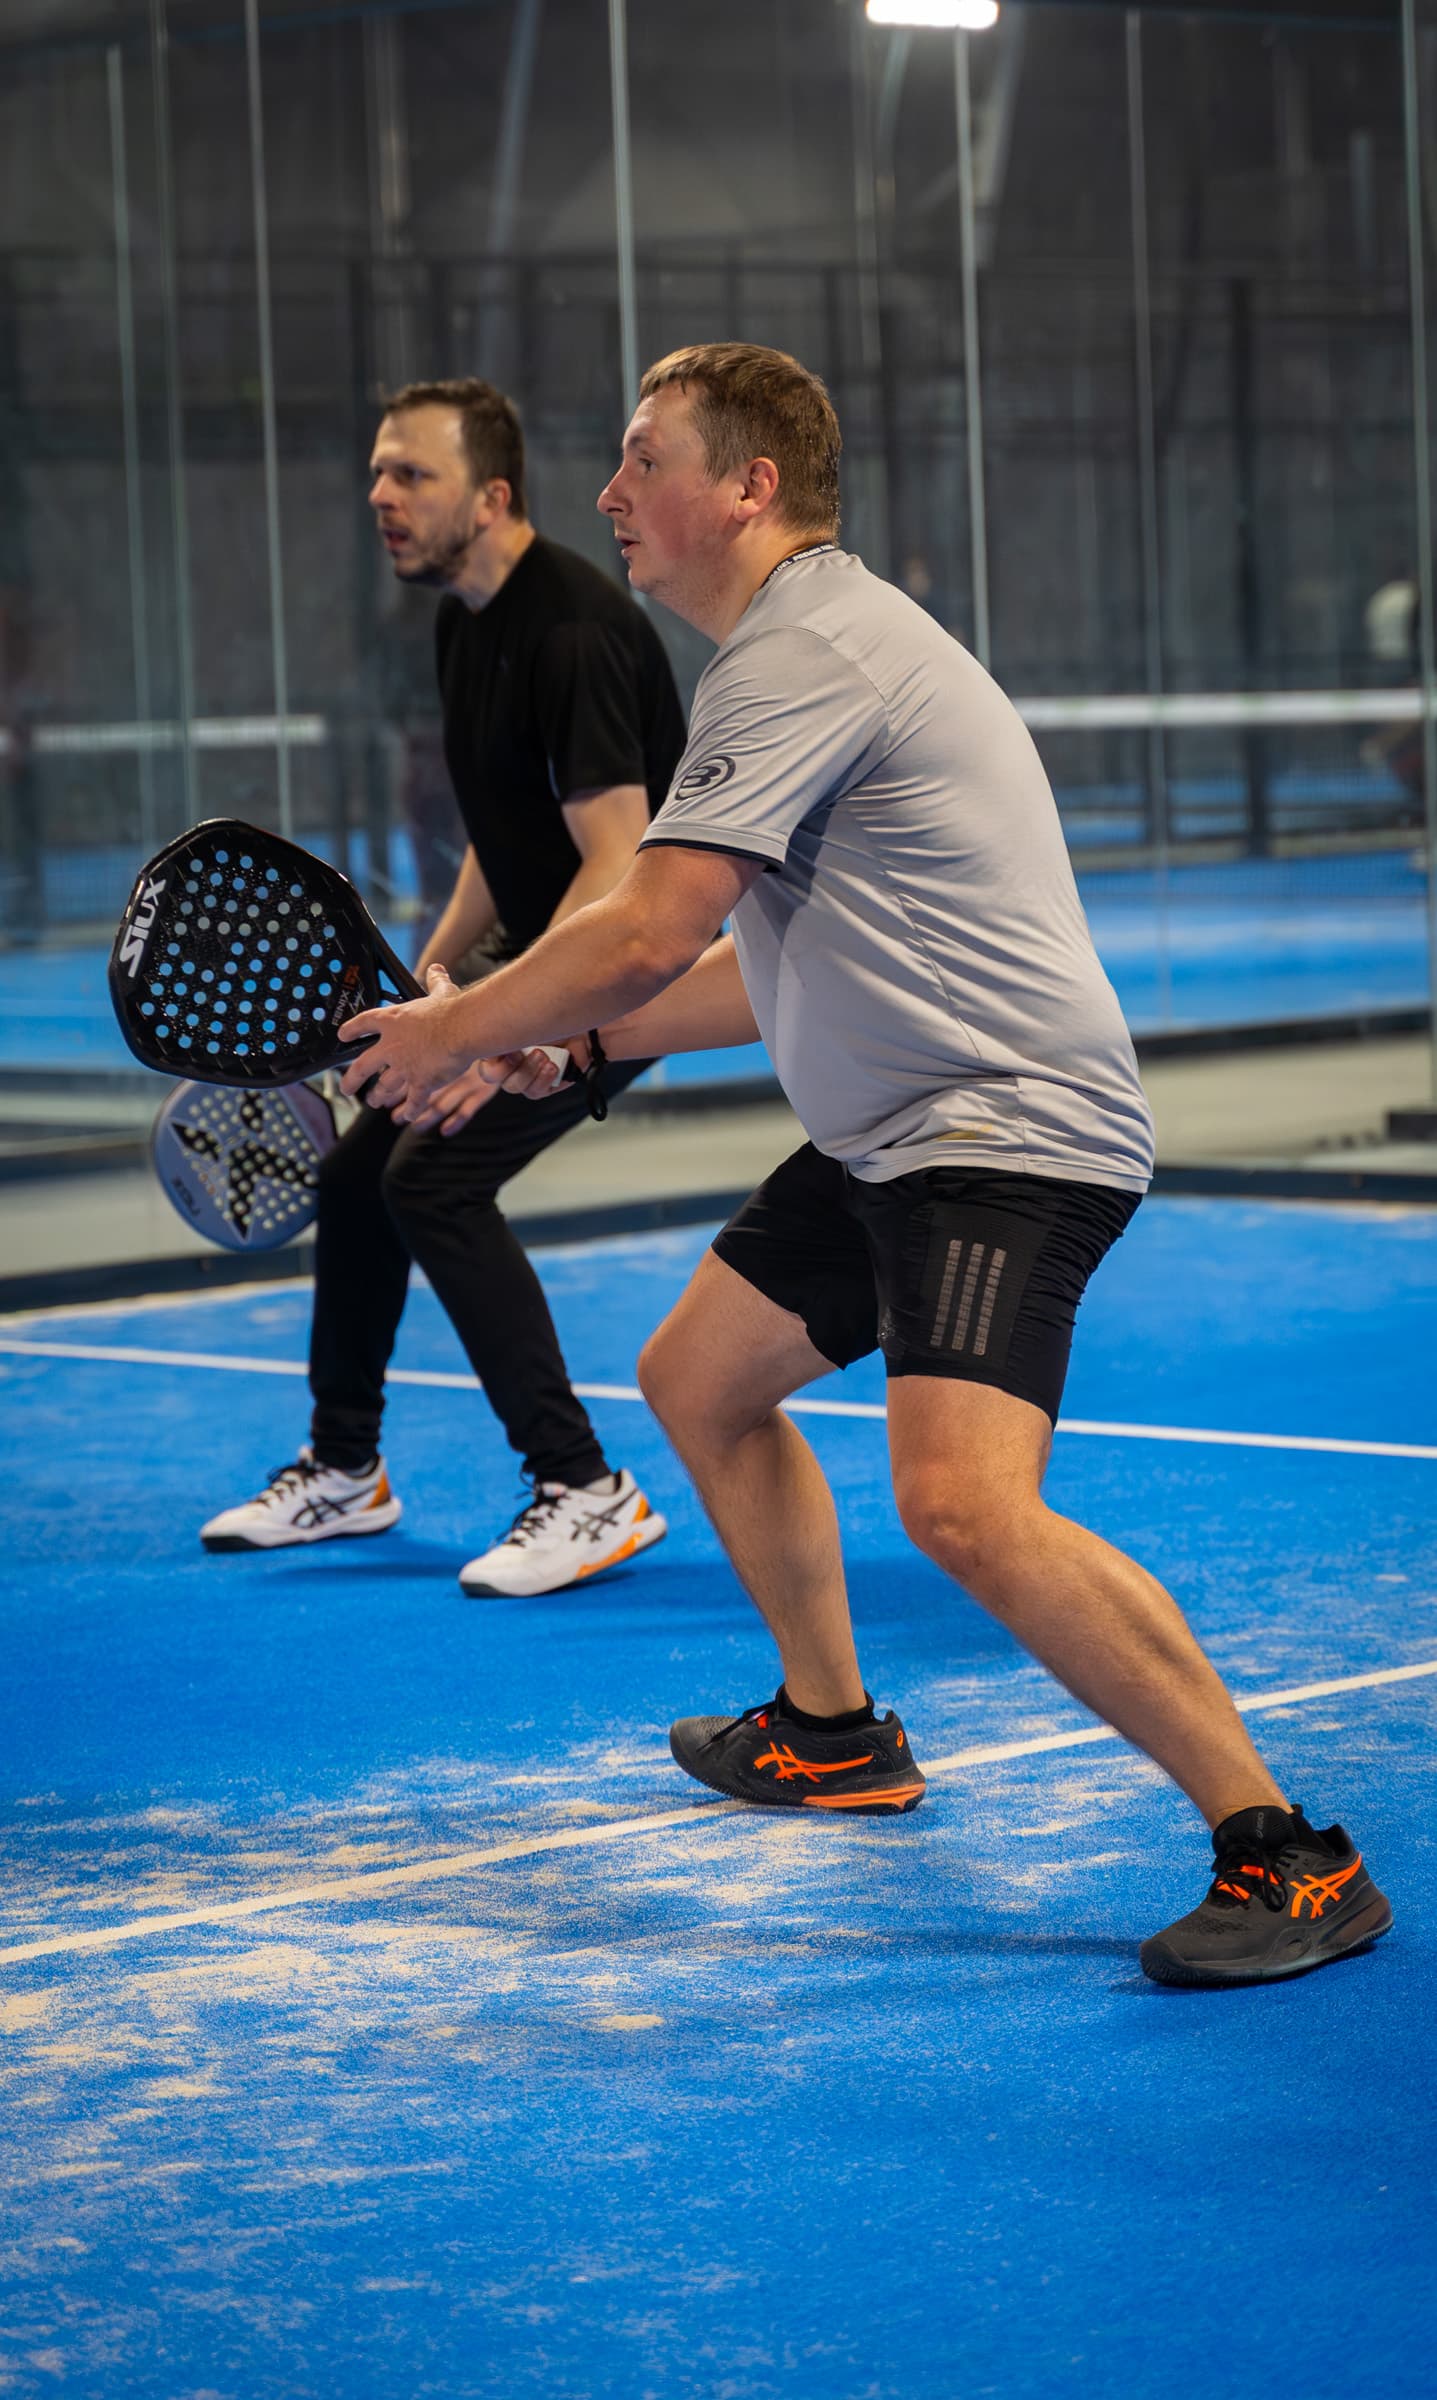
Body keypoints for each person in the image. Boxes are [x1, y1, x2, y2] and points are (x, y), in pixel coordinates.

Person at [340, 343, 1391, 1987]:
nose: (609, 495)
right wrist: (572, 1045)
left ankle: (1288, 1855)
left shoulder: (803, 651)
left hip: (1003, 1131)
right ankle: (832, 1732)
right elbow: (752, 963)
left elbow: (649, 924)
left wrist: (459, 1024)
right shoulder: (786, 655)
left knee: (963, 1506)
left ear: (749, 486)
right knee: (699, 1379)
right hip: (898, 1127)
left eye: (645, 460)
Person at [202, 377, 685, 1599]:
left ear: (493, 497)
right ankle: (346, 1470)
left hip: (626, 977)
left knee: (433, 1182)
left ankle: (585, 1490)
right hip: (533, 959)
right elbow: (501, 831)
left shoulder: (571, 631)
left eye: (411, 473)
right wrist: (432, 978)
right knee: (357, 1178)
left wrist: (493, 1023)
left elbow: (618, 867)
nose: (382, 494)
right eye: (379, 471)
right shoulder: (466, 621)